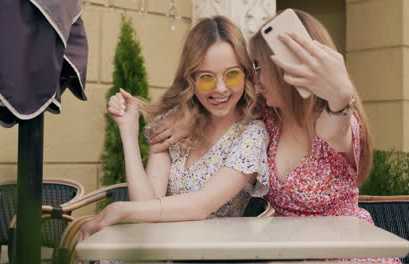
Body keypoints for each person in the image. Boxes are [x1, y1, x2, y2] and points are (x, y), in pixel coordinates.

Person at [151, 9, 401, 264]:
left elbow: (334, 127)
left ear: (285, 68)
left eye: (260, 67)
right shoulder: (267, 119)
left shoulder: (336, 120)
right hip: (288, 253)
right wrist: (187, 118)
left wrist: (340, 94)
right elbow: (221, 103)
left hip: (345, 253)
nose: (255, 79)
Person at [78, 15, 269, 242]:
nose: (220, 88)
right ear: (191, 80)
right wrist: (128, 132)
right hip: (161, 249)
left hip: (210, 255)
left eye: (232, 74)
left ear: (246, 74)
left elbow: (201, 206)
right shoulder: (174, 125)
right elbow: (145, 209)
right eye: (206, 78)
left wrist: (120, 209)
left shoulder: (251, 135)